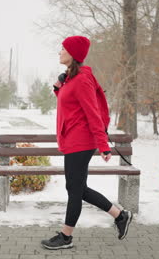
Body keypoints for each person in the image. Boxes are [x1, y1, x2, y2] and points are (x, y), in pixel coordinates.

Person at [41, 36, 133, 250]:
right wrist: (58, 87)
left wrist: (103, 145)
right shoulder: (71, 78)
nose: (59, 52)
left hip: (80, 141)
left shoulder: (82, 79)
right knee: (78, 189)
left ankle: (66, 236)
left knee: (74, 190)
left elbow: (93, 114)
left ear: (73, 54)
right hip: (74, 139)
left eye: (63, 49)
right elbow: (70, 105)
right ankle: (120, 216)